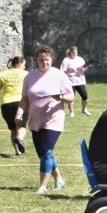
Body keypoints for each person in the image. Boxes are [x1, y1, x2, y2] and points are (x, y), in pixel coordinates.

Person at [17, 46, 74, 194]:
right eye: (41, 60)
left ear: (51, 59)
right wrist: (19, 115)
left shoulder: (59, 75)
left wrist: (60, 97)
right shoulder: (29, 77)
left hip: (53, 119)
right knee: (43, 154)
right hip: (36, 120)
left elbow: (71, 96)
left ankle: (42, 187)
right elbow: (24, 99)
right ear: (36, 60)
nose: (44, 62)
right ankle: (59, 179)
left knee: (47, 152)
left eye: (47, 60)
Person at [0, 55, 28, 156]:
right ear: (19, 63)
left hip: (6, 104)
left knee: (13, 129)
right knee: (22, 127)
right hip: (20, 103)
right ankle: (19, 139)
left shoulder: (3, 74)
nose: (25, 67)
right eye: (24, 65)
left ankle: (17, 151)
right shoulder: (26, 74)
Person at [60, 46, 92, 117]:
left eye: (76, 52)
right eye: (73, 52)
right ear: (70, 52)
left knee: (85, 96)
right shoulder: (66, 60)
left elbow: (83, 69)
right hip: (70, 82)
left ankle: (84, 109)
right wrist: (64, 80)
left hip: (80, 81)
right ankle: (71, 112)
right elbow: (62, 71)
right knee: (71, 97)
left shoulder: (80, 59)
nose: (75, 53)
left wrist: (87, 66)